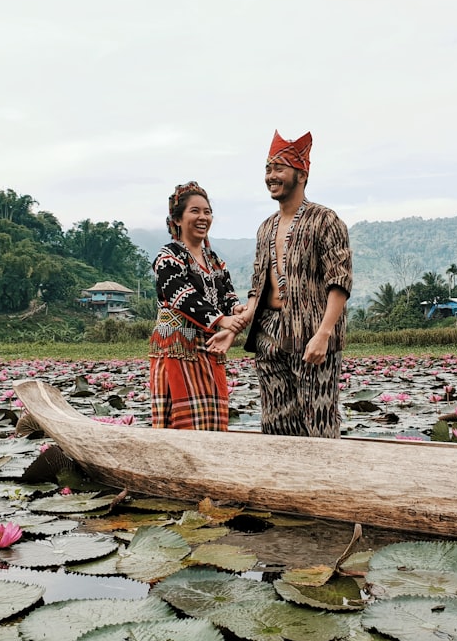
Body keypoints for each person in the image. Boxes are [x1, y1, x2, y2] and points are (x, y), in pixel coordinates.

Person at [238, 130, 353, 438]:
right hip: (269, 334)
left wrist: (323, 334)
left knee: (318, 420)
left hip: (311, 333)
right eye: (267, 168)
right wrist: (243, 315)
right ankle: (281, 484)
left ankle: (324, 484)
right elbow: (258, 285)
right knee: (275, 423)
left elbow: (339, 281)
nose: (271, 176)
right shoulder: (265, 228)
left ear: (301, 174)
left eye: (279, 168)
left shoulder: (325, 220)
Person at [149, 181, 246, 430]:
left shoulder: (215, 261)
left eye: (207, 211)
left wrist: (235, 311)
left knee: (212, 421)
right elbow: (181, 295)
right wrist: (222, 320)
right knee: (183, 424)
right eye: (195, 211)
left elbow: (228, 296)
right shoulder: (168, 257)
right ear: (177, 220)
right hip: (178, 347)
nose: (203, 217)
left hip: (210, 349)